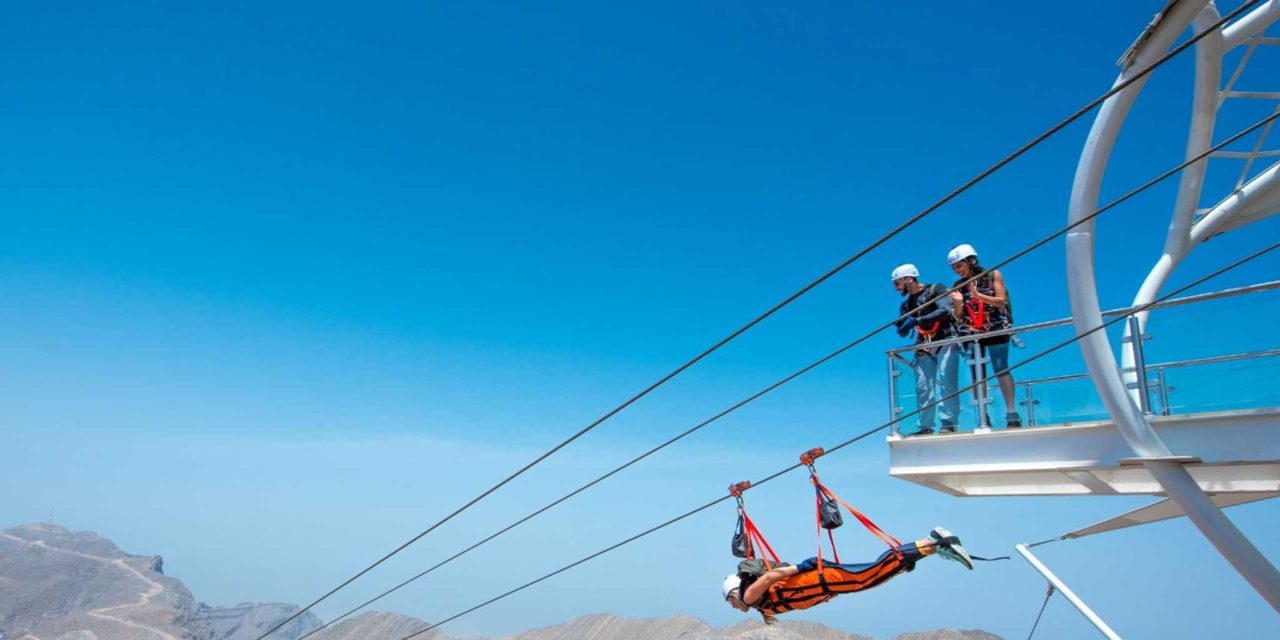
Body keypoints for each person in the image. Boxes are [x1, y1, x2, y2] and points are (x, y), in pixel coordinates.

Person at [721, 527, 973, 623]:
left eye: (730, 601)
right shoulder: (763, 607)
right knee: (872, 578)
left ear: (735, 592)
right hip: (826, 585)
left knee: (869, 575)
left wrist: (801, 567)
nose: (734, 606)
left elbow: (768, 578)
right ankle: (927, 550)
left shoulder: (749, 597)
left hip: (821, 579)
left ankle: (932, 541)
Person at [948, 244, 1022, 428]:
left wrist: (978, 296)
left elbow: (1001, 301)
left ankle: (1011, 412)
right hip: (972, 333)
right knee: (976, 375)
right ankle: (983, 415)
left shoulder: (992, 275)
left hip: (995, 327)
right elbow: (958, 316)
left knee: (1000, 368)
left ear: (971, 261)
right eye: (954, 267)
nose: (957, 271)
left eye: (959, 265)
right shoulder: (957, 286)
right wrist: (957, 304)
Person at [891, 264, 960, 435]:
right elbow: (904, 330)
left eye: (898, 283)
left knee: (947, 382)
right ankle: (925, 426)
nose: (896, 288)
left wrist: (917, 320)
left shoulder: (936, 290)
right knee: (923, 387)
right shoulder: (907, 305)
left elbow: (945, 310)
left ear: (909, 279)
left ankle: (948, 423)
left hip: (945, 339)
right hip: (925, 345)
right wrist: (902, 326)